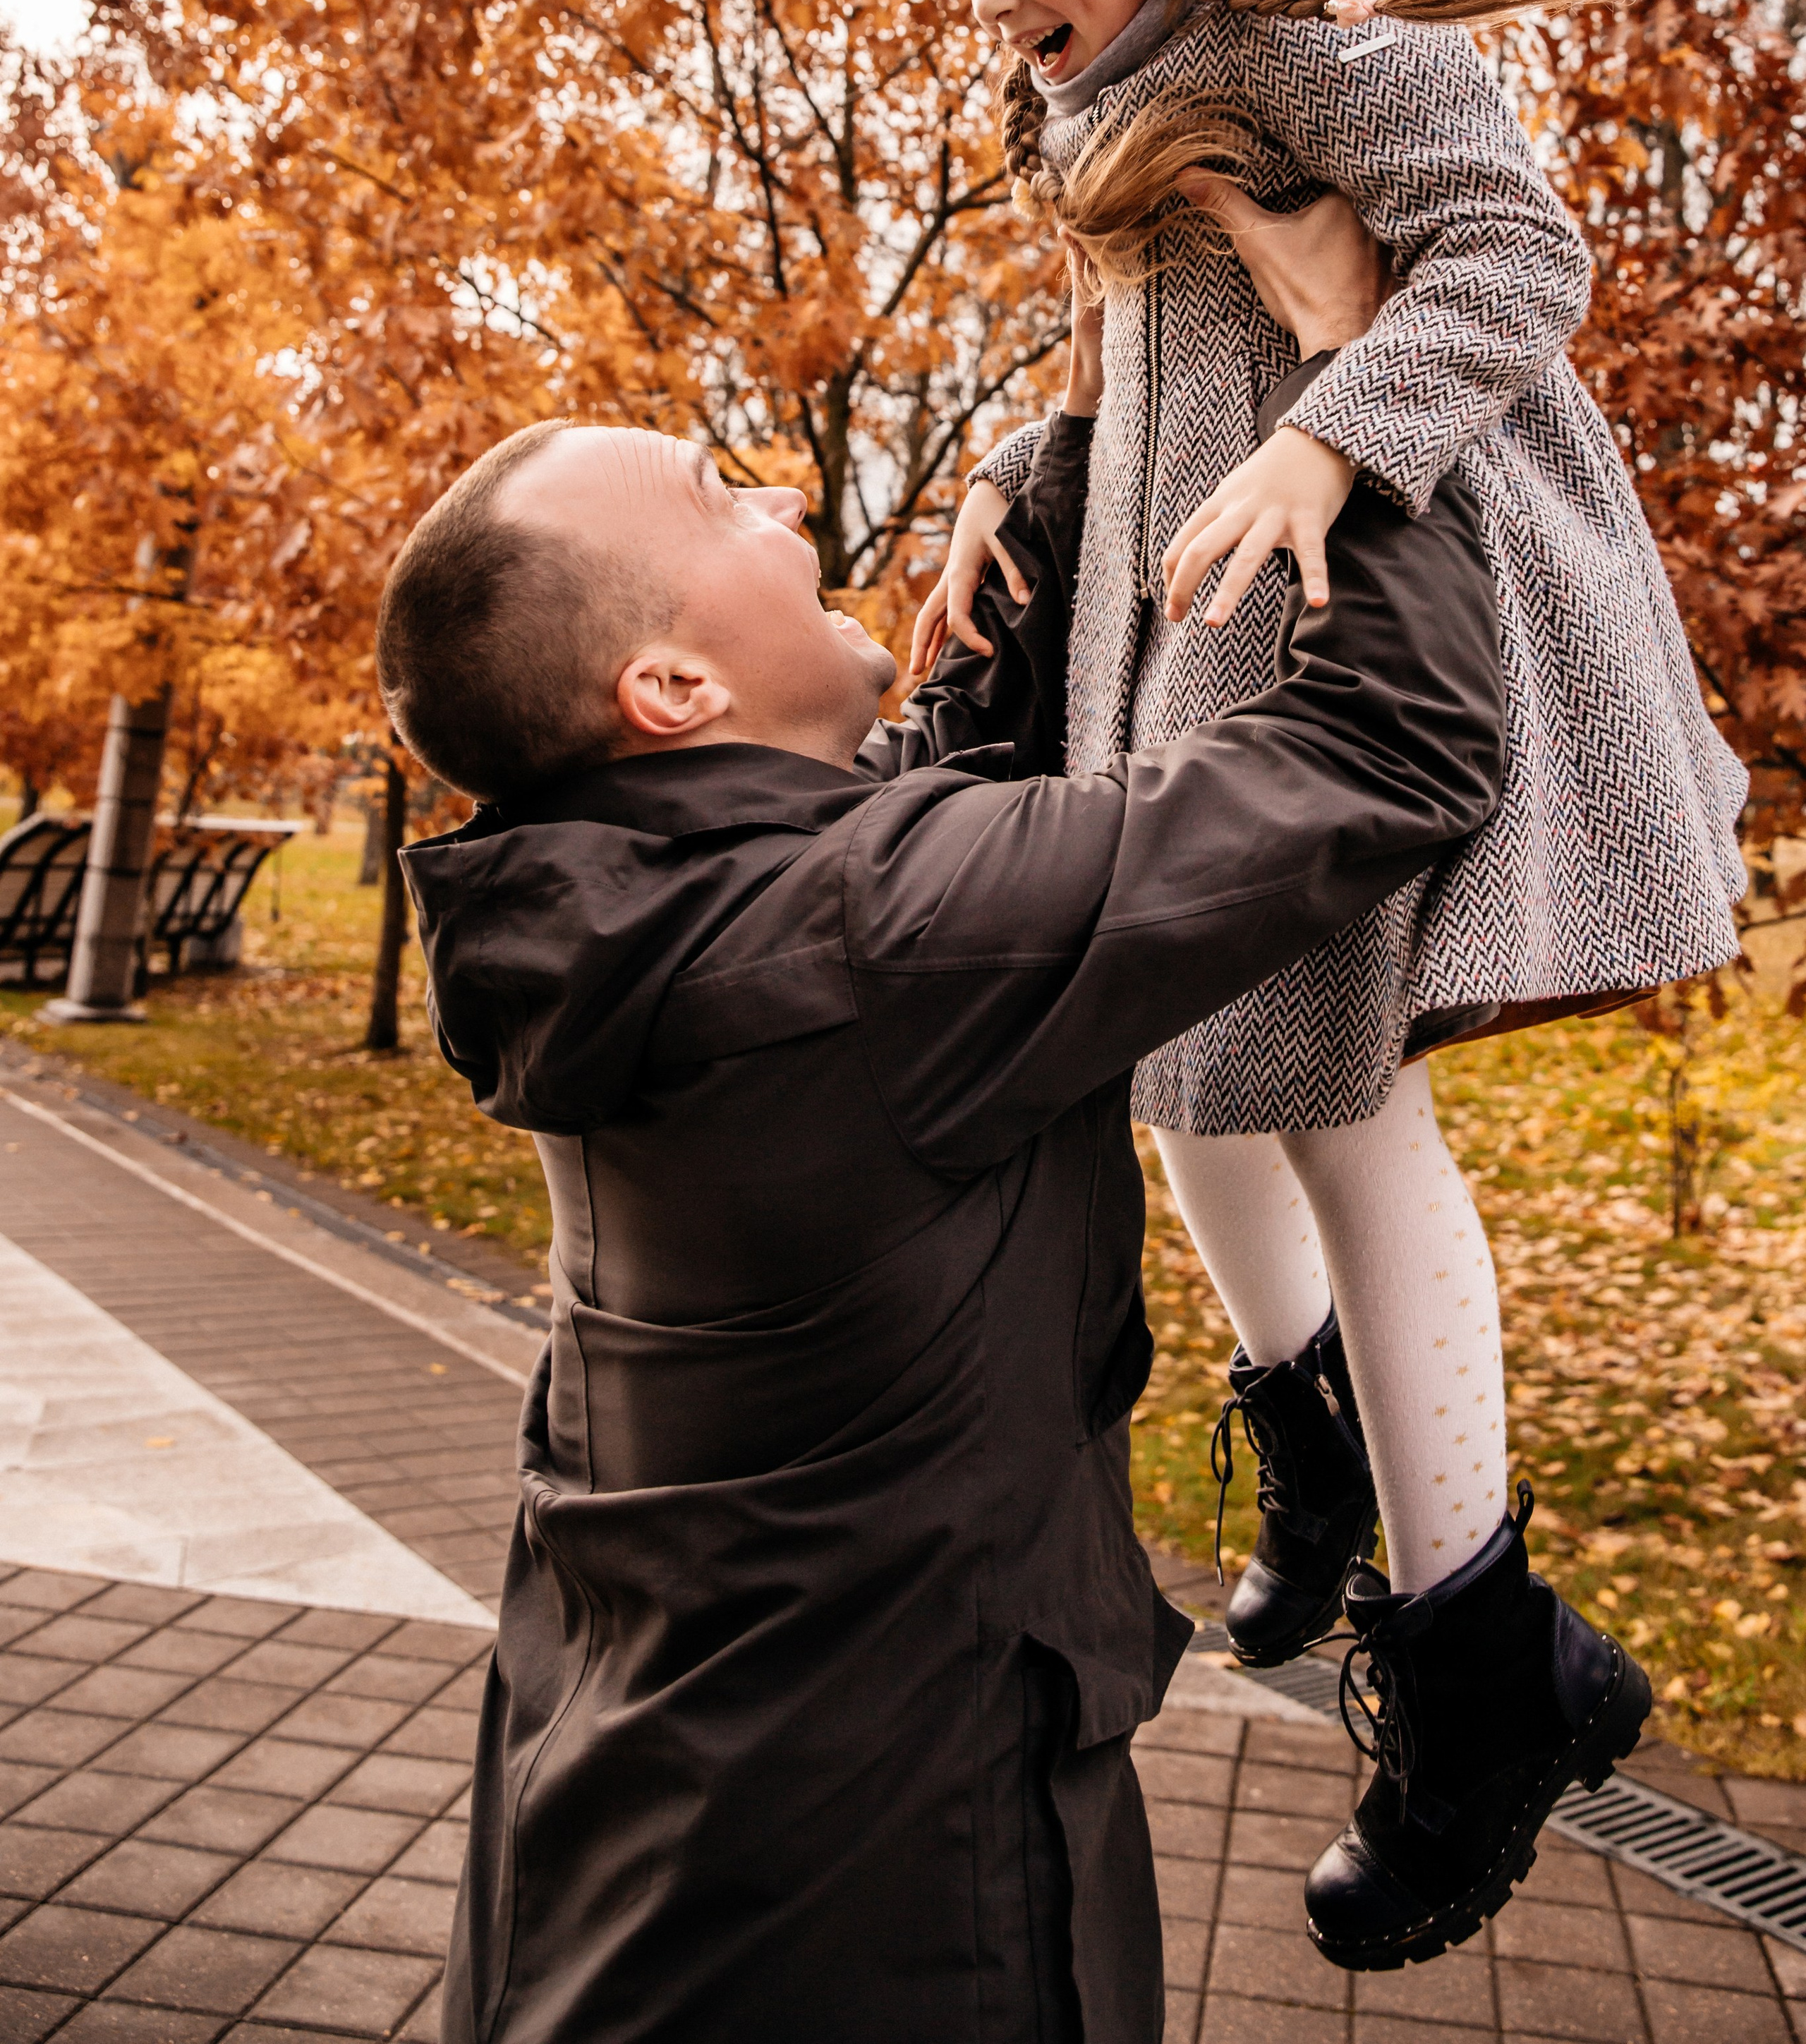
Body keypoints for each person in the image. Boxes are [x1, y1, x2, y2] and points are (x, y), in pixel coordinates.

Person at [374, 216, 1613, 2040]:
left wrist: (1048, 481)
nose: (786, 498)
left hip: (632, 1870)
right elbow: (1392, 751)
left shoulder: (629, 920)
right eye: (721, 496)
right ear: (672, 695)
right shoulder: (871, 939)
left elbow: (961, 771)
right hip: (876, 1916)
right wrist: (1365, 384)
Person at [910, 0, 1744, 1957]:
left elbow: (1521, 252)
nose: (997, 3)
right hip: (1184, 626)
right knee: (1187, 1075)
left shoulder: (1308, 12)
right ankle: (1315, 1459)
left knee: (1335, 1086)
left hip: (1383, 597)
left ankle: (1485, 1654)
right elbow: (1121, 336)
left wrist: (1339, 440)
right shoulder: (1094, 80)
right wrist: (1011, 482)